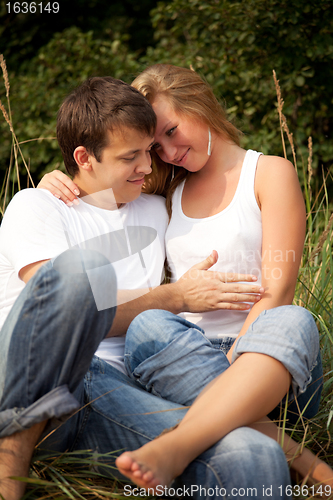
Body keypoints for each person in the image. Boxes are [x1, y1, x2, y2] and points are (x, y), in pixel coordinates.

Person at [40, 65, 332, 493]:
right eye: (155, 145)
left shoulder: (269, 173)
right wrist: (59, 179)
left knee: (294, 319)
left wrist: (231, 373)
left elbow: (278, 291)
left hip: (268, 365)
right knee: (149, 325)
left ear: (198, 103)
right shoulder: (166, 192)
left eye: (172, 131)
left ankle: (185, 449)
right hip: (183, 360)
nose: (169, 151)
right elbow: (104, 184)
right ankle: (299, 464)